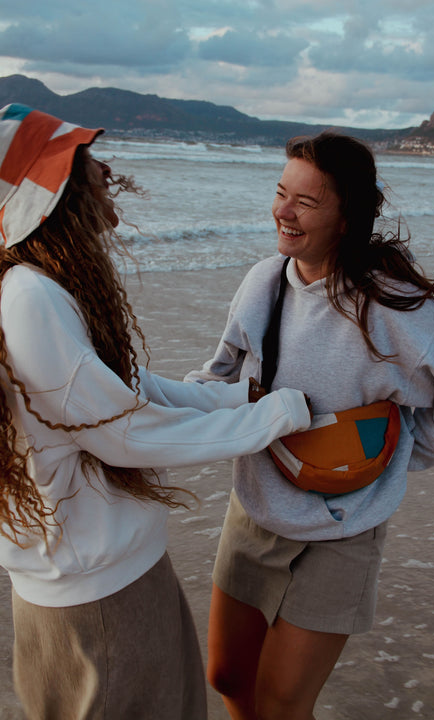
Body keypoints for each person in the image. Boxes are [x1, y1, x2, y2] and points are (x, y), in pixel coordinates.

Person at [0, 103, 313, 720]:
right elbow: (123, 434)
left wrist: (238, 397)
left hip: (94, 581)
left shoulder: (34, 283)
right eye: (83, 162)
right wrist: (276, 418)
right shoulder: (32, 297)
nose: (104, 169)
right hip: (100, 597)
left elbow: (127, 390)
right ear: (53, 193)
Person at [185, 131, 434, 720]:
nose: (283, 212)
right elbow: (221, 377)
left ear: (346, 217)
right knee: (228, 675)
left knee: (282, 702)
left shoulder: (393, 302)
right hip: (257, 508)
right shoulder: (265, 282)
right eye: (280, 193)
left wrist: (408, 455)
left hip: (345, 527)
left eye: (306, 202)